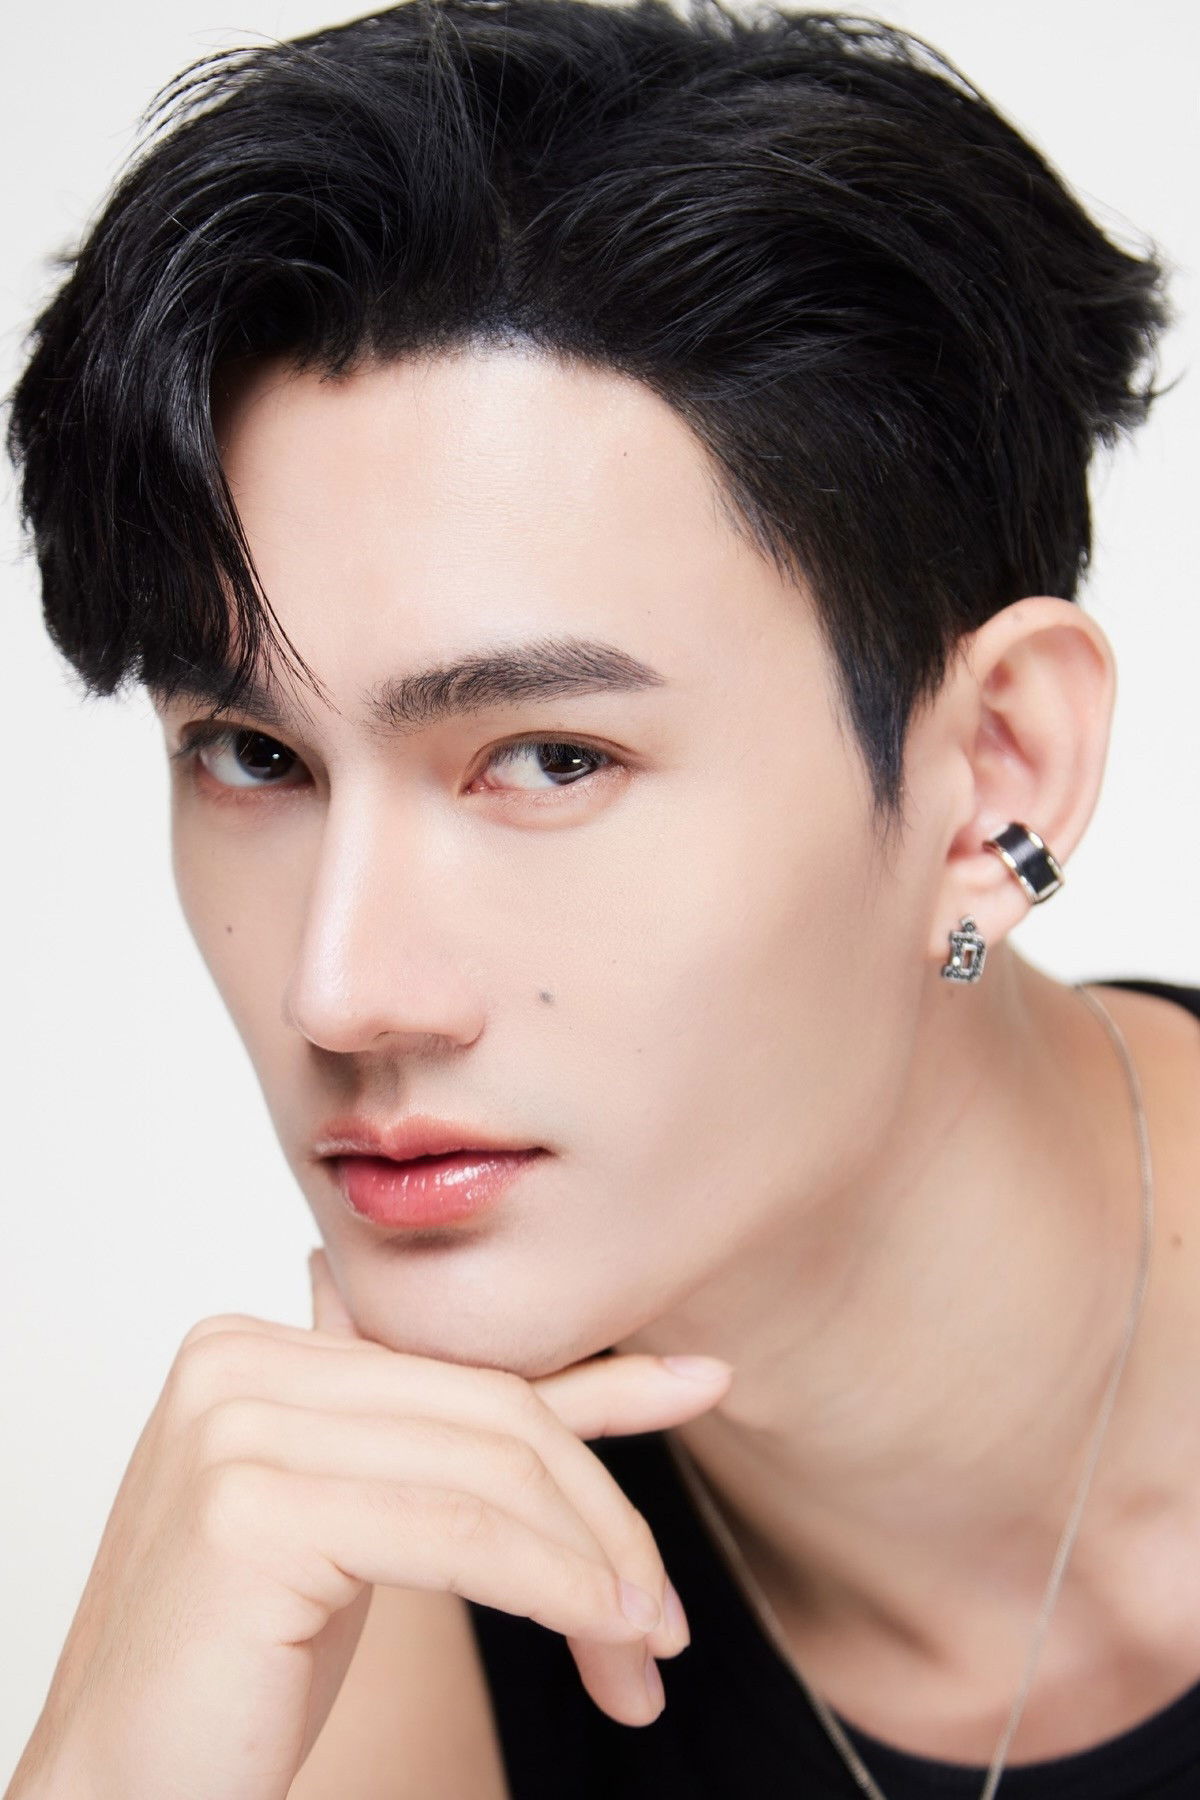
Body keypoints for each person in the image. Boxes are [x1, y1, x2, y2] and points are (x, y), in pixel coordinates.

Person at [4, 0, 1197, 1795]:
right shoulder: (346, 1604)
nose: (343, 989)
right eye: (251, 755)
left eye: (550, 758)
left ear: (996, 779)